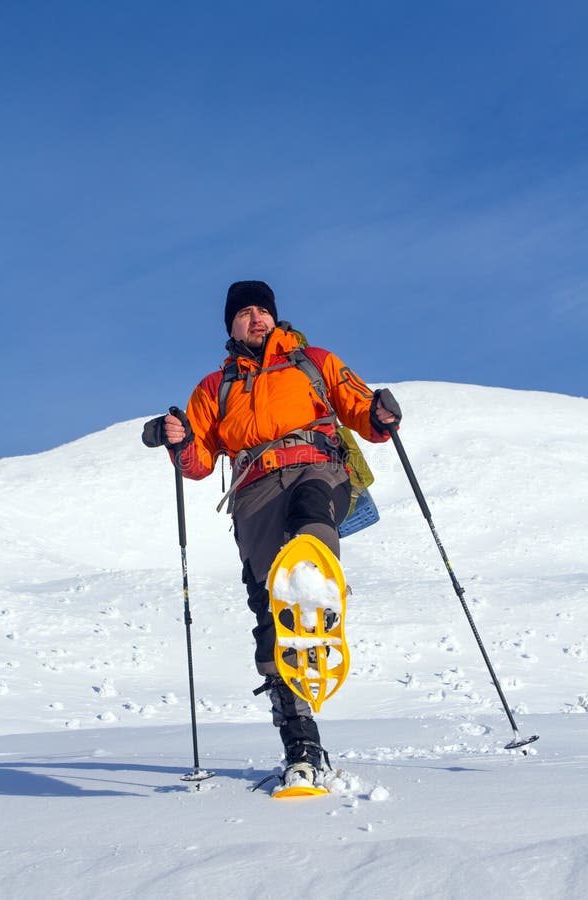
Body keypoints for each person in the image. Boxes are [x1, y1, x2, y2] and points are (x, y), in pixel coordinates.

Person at [142, 280, 401, 786]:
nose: (256, 318)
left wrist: (378, 414)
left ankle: (318, 587)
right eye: (245, 313)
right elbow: (196, 461)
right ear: (231, 325)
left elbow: (359, 408)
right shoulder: (214, 387)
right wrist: (176, 439)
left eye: (263, 310)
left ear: (275, 317)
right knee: (268, 614)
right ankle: (301, 744)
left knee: (310, 517)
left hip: (318, 467)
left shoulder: (313, 361)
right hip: (254, 489)